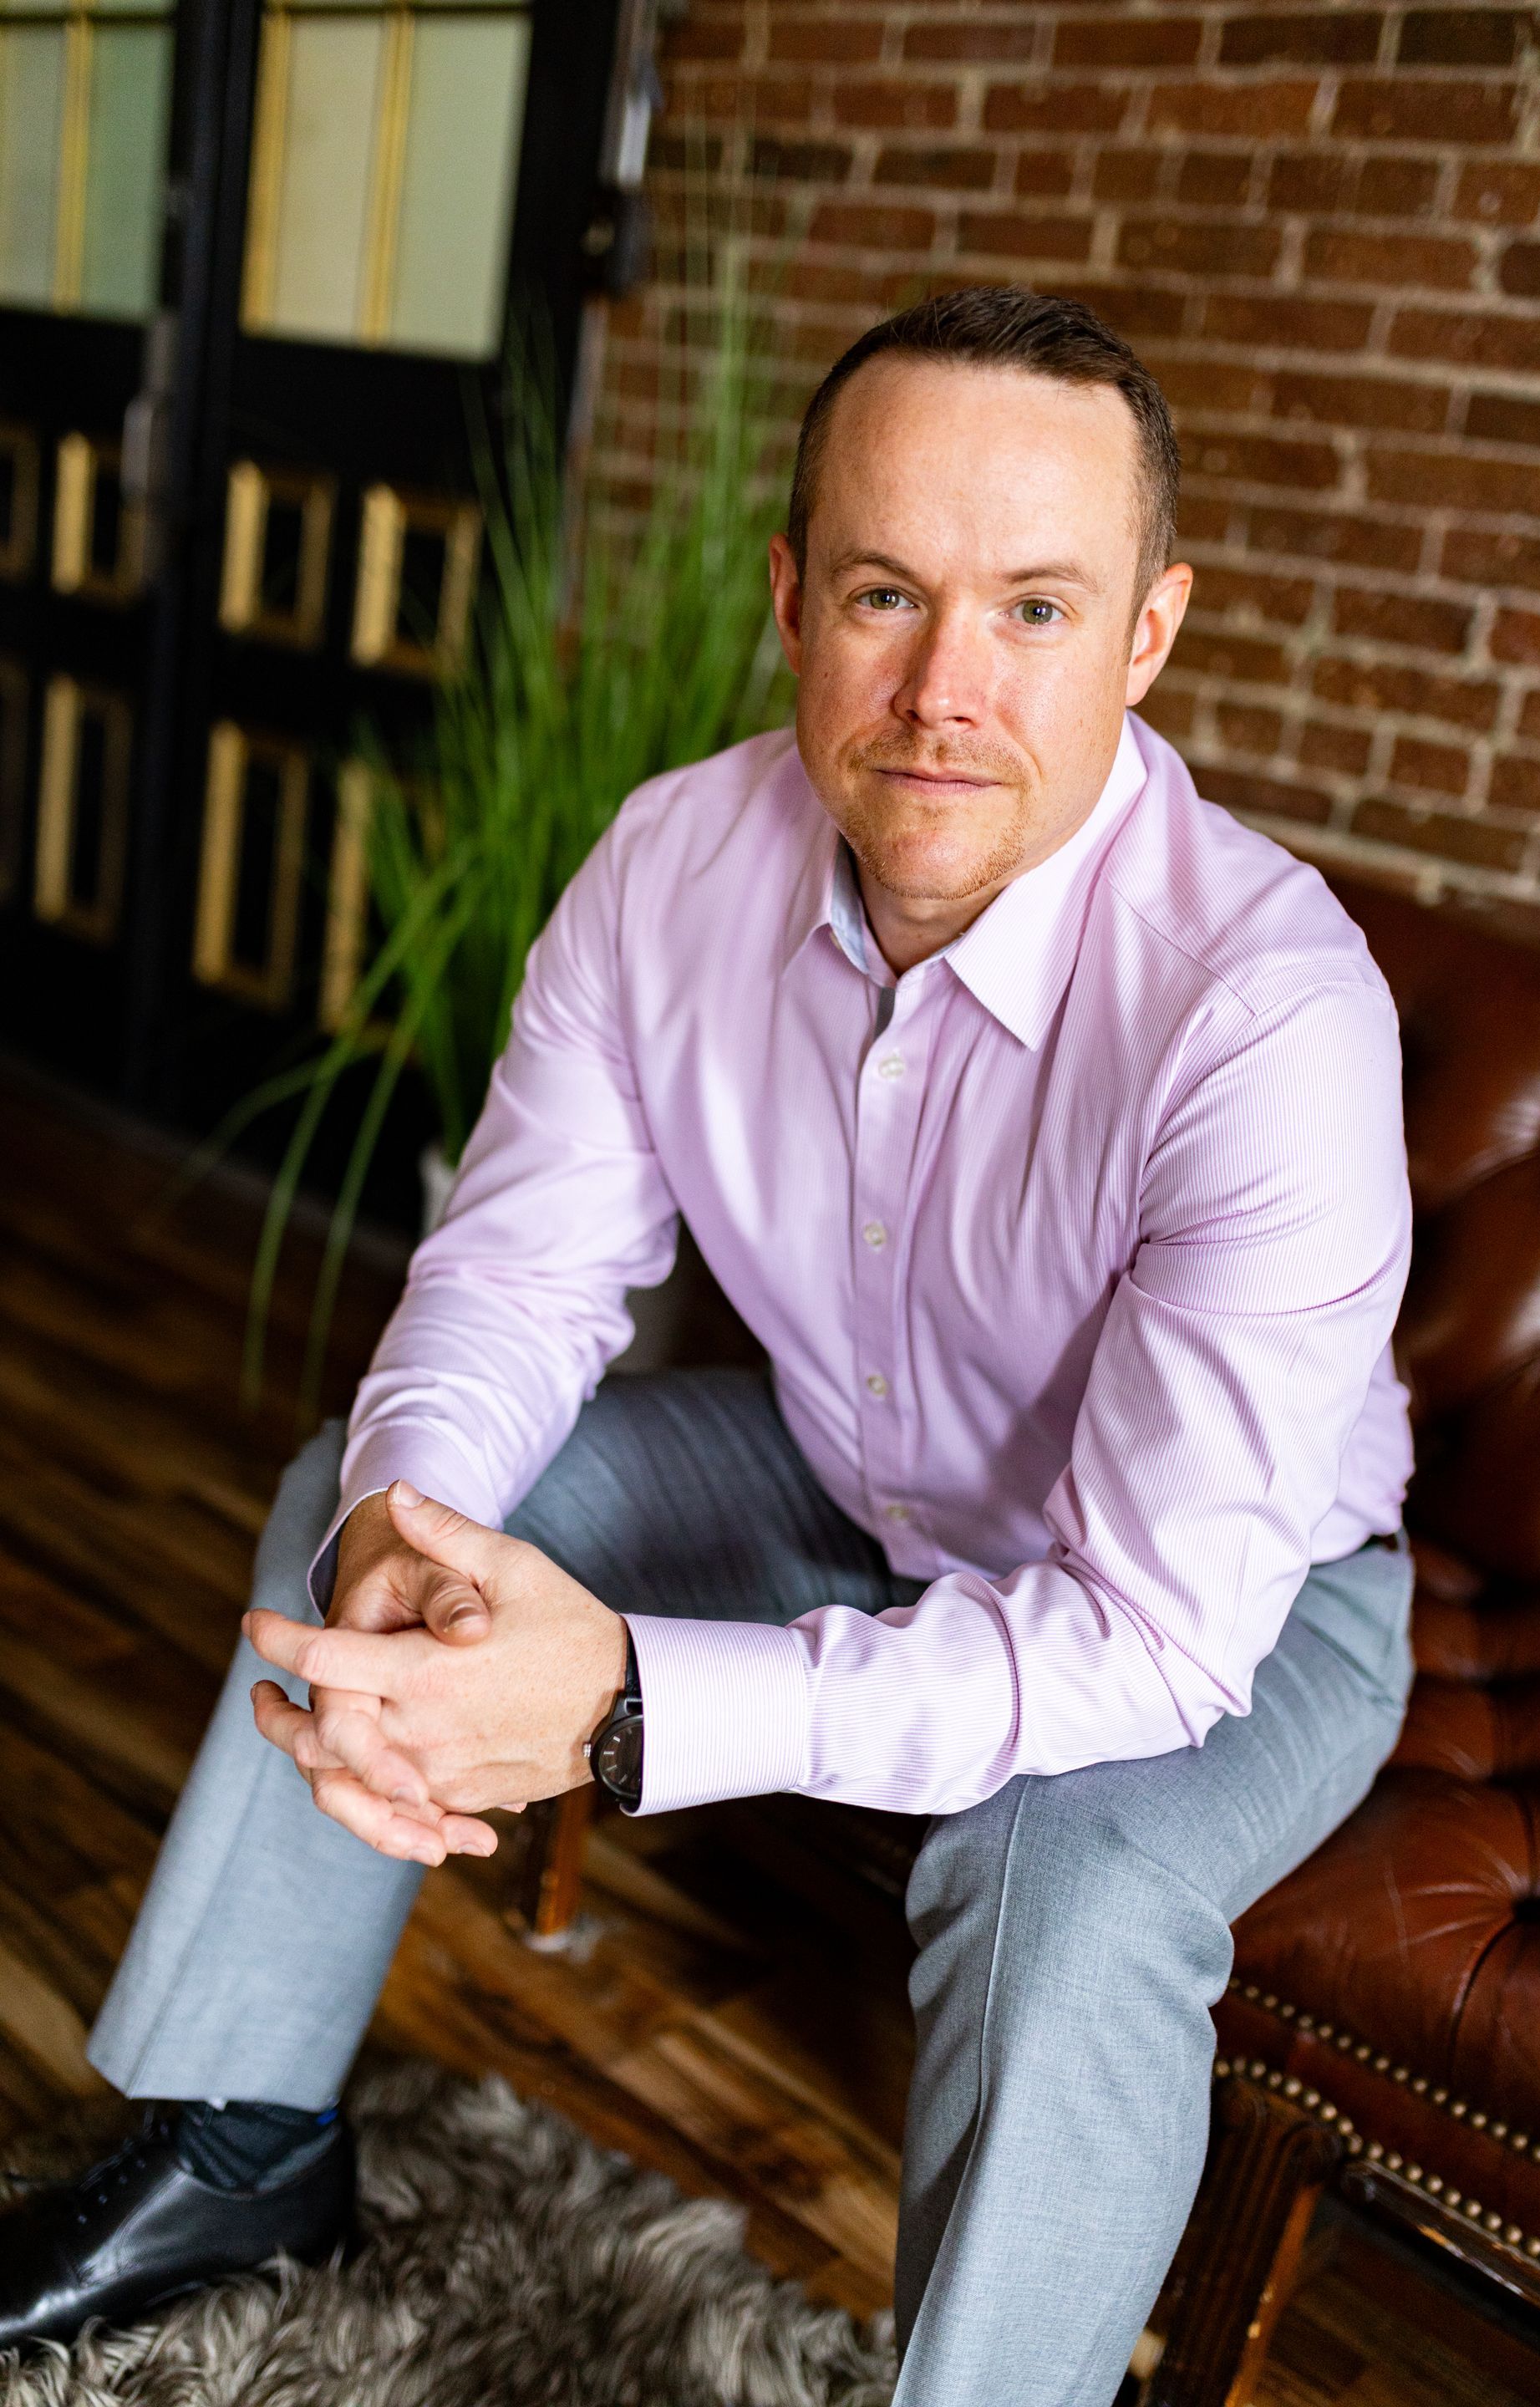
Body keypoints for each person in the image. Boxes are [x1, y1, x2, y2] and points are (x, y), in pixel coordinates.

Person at [0, 288, 1415, 2407]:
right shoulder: (673, 859)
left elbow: (1143, 1642)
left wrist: (633, 1703)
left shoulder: (1265, 1017)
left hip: (1234, 1602)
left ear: (1148, 633)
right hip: (852, 1478)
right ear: (791, 598)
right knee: (369, 1506)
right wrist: (414, 1517)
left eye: (1034, 608)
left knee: (1071, 1878)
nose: (946, 689)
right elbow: (516, 1276)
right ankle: (235, 2140)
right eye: (884, 592)